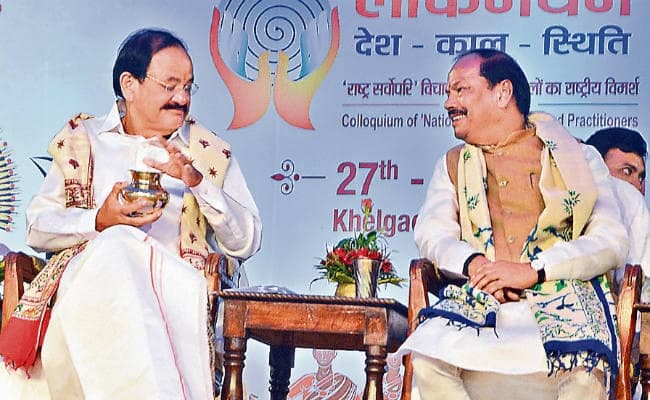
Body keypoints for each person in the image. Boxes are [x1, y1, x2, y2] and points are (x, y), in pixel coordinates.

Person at [0, 28, 262, 399]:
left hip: (176, 301)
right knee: (119, 244)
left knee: (125, 248)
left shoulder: (205, 153)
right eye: (170, 86)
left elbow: (246, 241)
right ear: (129, 84)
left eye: (188, 87)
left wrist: (197, 182)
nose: (182, 98)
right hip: (87, 298)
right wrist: (100, 221)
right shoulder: (83, 140)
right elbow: (37, 228)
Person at [398, 49, 628, 400]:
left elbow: (611, 240)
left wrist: (533, 271)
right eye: (448, 93)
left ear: (503, 93)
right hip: (484, 300)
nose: (449, 103)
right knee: (428, 360)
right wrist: (477, 266)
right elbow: (432, 233)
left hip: (560, 301)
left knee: (585, 369)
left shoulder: (579, 158)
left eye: (461, 90)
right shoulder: (452, 164)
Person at [586, 127, 650, 396]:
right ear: (594, 165)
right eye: (626, 171)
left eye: (641, 177)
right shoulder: (627, 197)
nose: (637, 185)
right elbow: (641, 292)